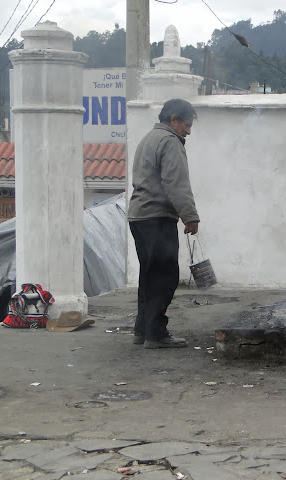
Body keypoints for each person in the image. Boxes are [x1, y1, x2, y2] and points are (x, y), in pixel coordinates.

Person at [127, 98, 200, 349]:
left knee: (149, 275)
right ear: (174, 120)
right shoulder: (170, 142)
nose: (188, 131)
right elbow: (176, 182)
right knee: (165, 276)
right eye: (187, 125)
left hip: (138, 216)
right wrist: (190, 216)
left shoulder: (148, 139)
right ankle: (156, 333)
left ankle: (142, 330)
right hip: (157, 217)